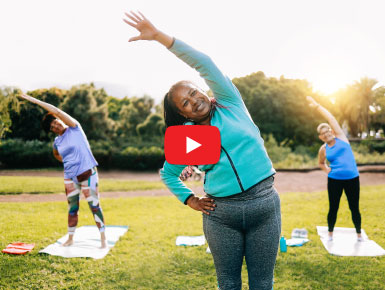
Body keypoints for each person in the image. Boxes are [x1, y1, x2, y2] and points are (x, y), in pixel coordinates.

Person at [123, 11, 281, 290]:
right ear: (180, 113)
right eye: (185, 102)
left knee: (262, 284)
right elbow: (169, 173)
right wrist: (190, 199)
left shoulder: (230, 103)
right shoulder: (187, 137)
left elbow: (204, 63)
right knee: (228, 284)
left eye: (194, 92)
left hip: (264, 206)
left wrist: (160, 37)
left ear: (204, 91)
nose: (194, 101)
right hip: (222, 215)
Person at [18, 94, 107, 248]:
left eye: (55, 123)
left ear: (59, 119)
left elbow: (57, 111)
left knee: (94, 206)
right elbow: (56, 154)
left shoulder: (74, 128)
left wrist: (33, 100)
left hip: (88, 174)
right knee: (72, 209)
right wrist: (66, 162)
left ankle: (103, 239)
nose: (55, 127)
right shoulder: (57, 141)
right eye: (52, 128)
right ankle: (70, 238)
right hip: (70, 178)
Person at [306, 96, 362, 242]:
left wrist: (317, 105)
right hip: (335, 180)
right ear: (321, 137)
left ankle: (359, 235)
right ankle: (330, 234)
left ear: (331, 131)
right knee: (333, 207)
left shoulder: (342, 138)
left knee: (354, 207)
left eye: (327, 131)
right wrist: (327, 171)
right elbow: (321, 163)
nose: (326, 134)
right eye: (323, 133)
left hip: (352, 179)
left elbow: (330, 117)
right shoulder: (323, 149)